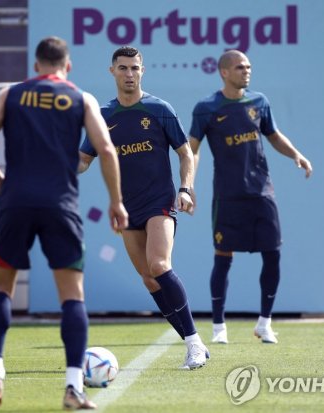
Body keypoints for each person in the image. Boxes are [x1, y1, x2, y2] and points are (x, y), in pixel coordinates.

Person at [0, 36, 128, 410]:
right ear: (67, 66)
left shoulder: (12, 94)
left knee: (1, 288)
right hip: (60, 204)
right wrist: (116, 202)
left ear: (36, 66)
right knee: (72, 296)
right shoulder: (81, 98)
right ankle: (73, 388)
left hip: (16, 201)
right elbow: (105, 150)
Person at [78, 46, 209, 370]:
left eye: (134, 68)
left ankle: (193, 343)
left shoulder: (159, 109)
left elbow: (184, 153)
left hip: (159, 203)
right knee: (149, 280)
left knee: (159, 264)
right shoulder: (104, 115)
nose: (129, 74)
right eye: (123, 68)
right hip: (126, 209)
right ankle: (194, 344)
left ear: (142, 71)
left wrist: (186, 189)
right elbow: (83, 160)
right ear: (112, 72)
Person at [188, 50, 312, 345]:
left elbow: (273, 135)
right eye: (240, 67)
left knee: (273, 254)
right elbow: (192, 148)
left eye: (249, 66)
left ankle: (264, 323)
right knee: (223, 257)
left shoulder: (259, 102)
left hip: (261, 193)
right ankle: (219, 328)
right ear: (224, 72)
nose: (247, 71)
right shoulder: (206, 108)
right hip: (228, 197)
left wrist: (296, 154)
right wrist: (188, 183)